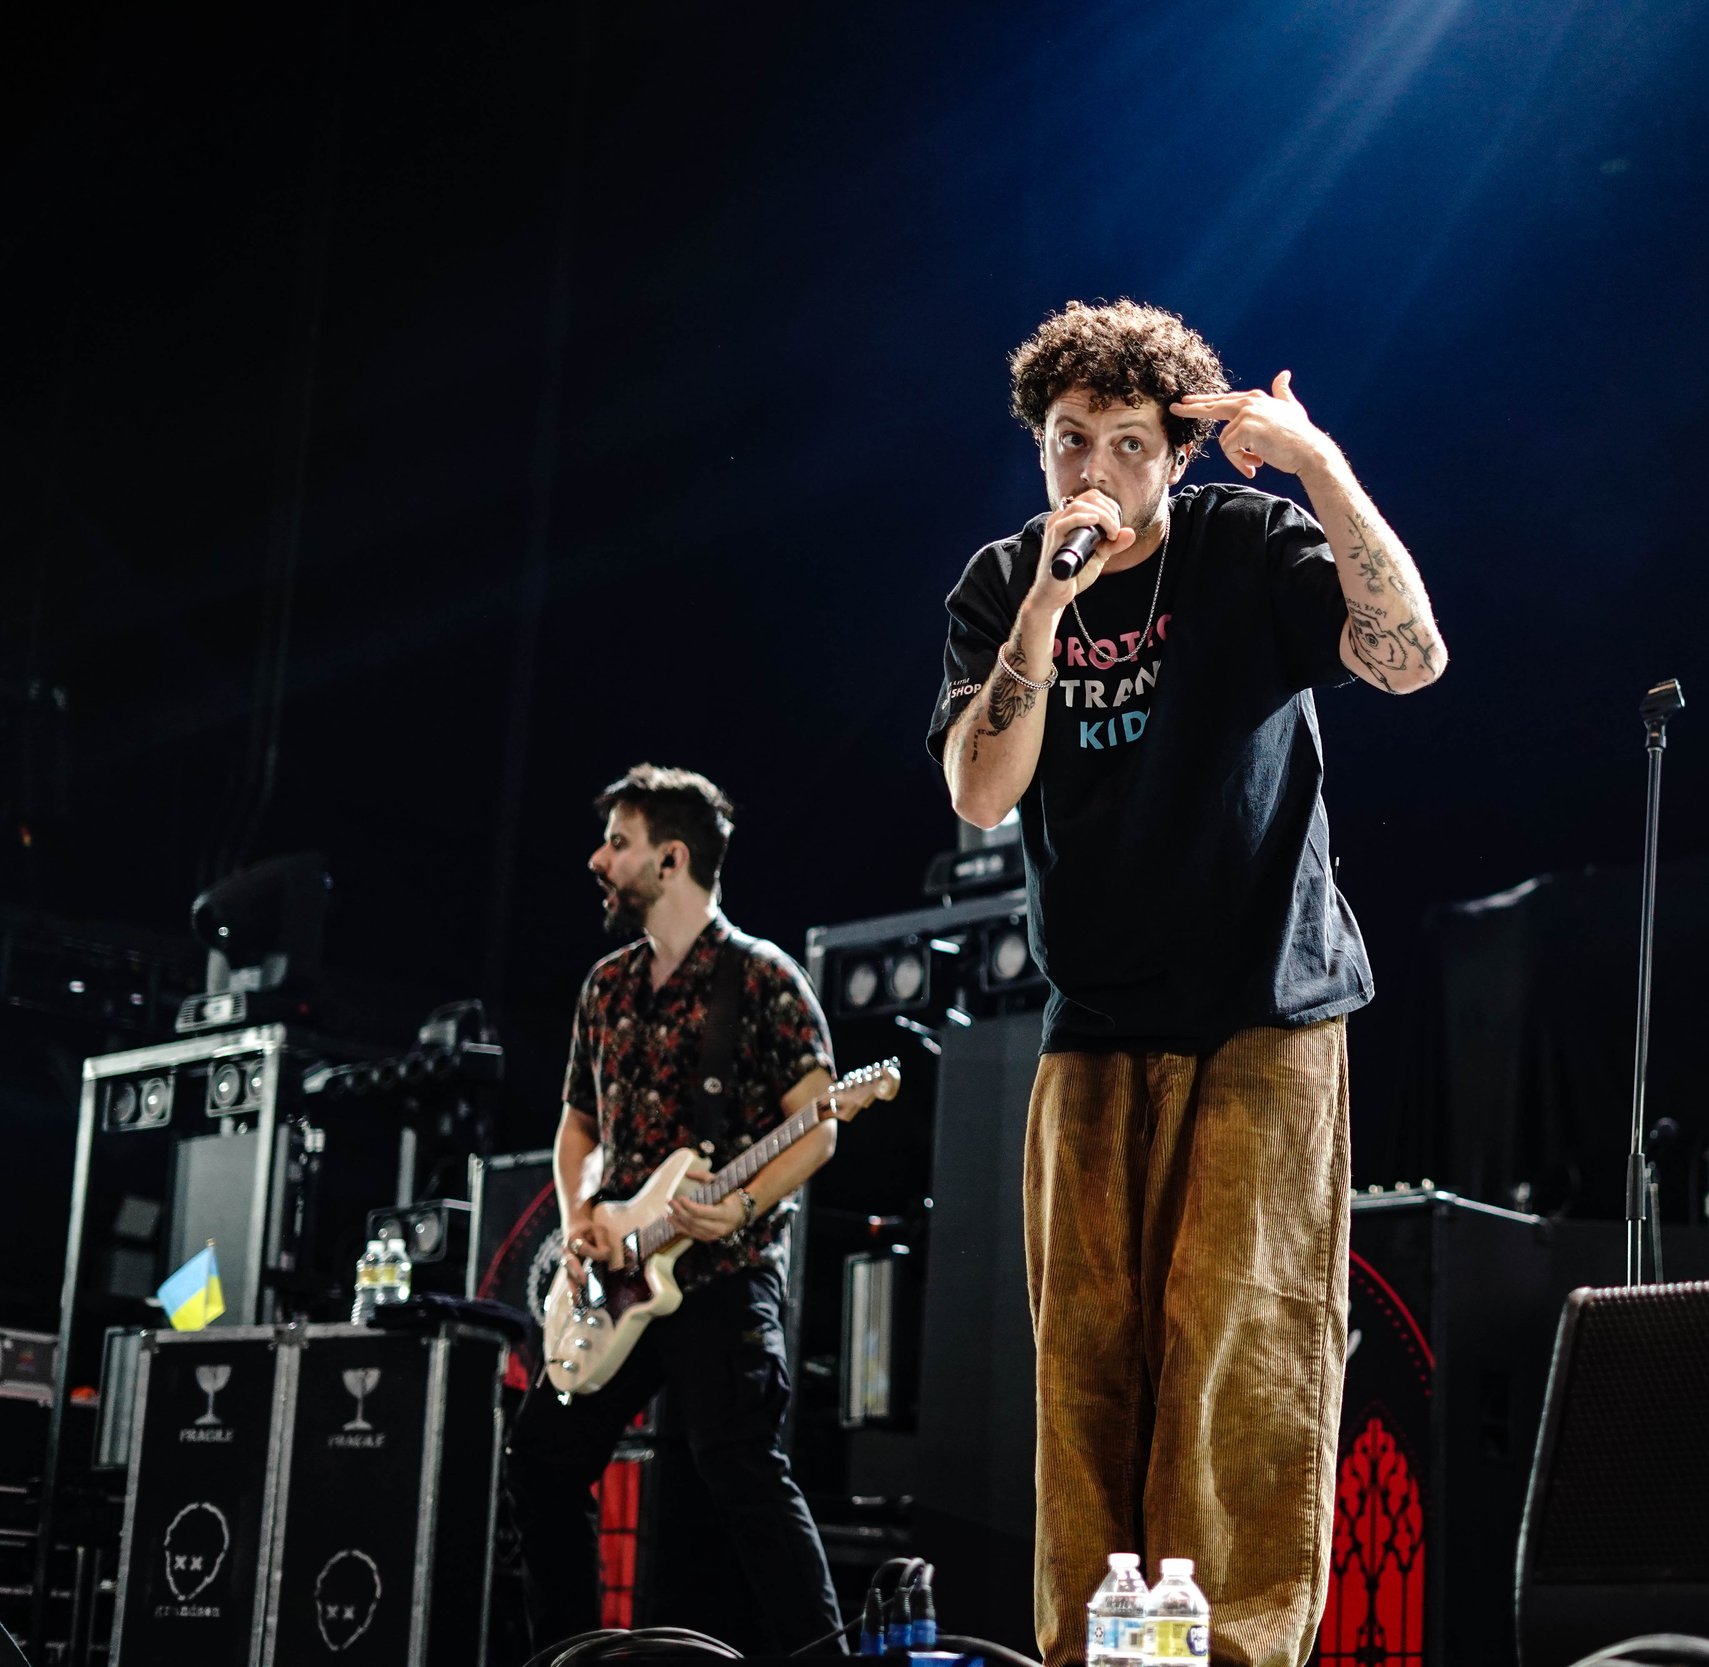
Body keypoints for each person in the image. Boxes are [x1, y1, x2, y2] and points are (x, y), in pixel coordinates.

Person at [929, 299, 1447, 1667]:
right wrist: (1045, 608)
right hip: (1095, 1023)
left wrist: (1322, 467)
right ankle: (1098, 1655)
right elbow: (983, 794)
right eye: (1066, 441)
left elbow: (1411, 658)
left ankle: (1227, 1657)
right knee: (1087, 1367)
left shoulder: (1244, 542)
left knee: (1240, 1350)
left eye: (1123, 443)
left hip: (1264, 1007)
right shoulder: (1001, 583)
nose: (1091, 470)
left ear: (1176, 455)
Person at [504, 763, 844, 1654]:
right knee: (541, 1462)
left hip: (724, 1273)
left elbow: (818, 1124)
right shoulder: (605, 989)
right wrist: (585, 1210)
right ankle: (565, 1655)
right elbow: (577, 1125)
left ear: (673, 858)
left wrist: (743, 1207)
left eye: (619, 843)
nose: (599, 859)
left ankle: (823, 1657)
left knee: (739, 1468)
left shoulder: (761, 978)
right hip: (620, 1274)